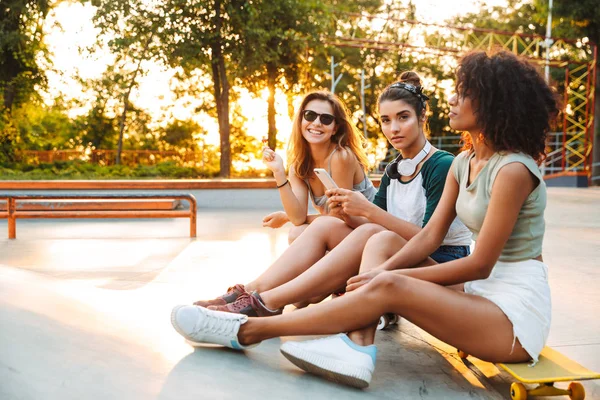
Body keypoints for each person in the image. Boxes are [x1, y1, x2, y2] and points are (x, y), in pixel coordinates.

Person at [172, 50, 558, 388]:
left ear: (493, 104)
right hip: (475, 296)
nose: (453, 99)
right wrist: (383, 268)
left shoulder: (512, 171)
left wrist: (387, 276)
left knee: (388, 278)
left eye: (465, 92)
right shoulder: (464, 162)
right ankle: (352, 347)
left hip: (511, 317)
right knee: (382, 242)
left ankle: (248, 330)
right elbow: (426, 239)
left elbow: (479, 264)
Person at [191, 71, 472, 317]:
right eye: (386, 120)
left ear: (422, 116)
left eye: (403, 117)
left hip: (440, 262)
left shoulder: (442, 165)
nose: (393, 128)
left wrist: (366, 211)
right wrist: (351, 213)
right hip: (397, 251)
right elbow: (372, 227)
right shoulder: (394, 170)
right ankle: (255, 294)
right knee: (325, 225)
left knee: (331, 229)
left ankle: (265, 301)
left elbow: (425, 239)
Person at [261, 91, 376, 244]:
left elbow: (341, 217)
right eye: (310, 115)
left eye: (326, 119)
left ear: (335, 128)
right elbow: (298, 218)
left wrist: (285, 217)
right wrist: (278, 172)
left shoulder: (341, 156)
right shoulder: (299, 166)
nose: (316, 123)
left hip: (371, 227)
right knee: (297, 232)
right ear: (301, 120)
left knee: (299, 234)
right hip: (343, 227)